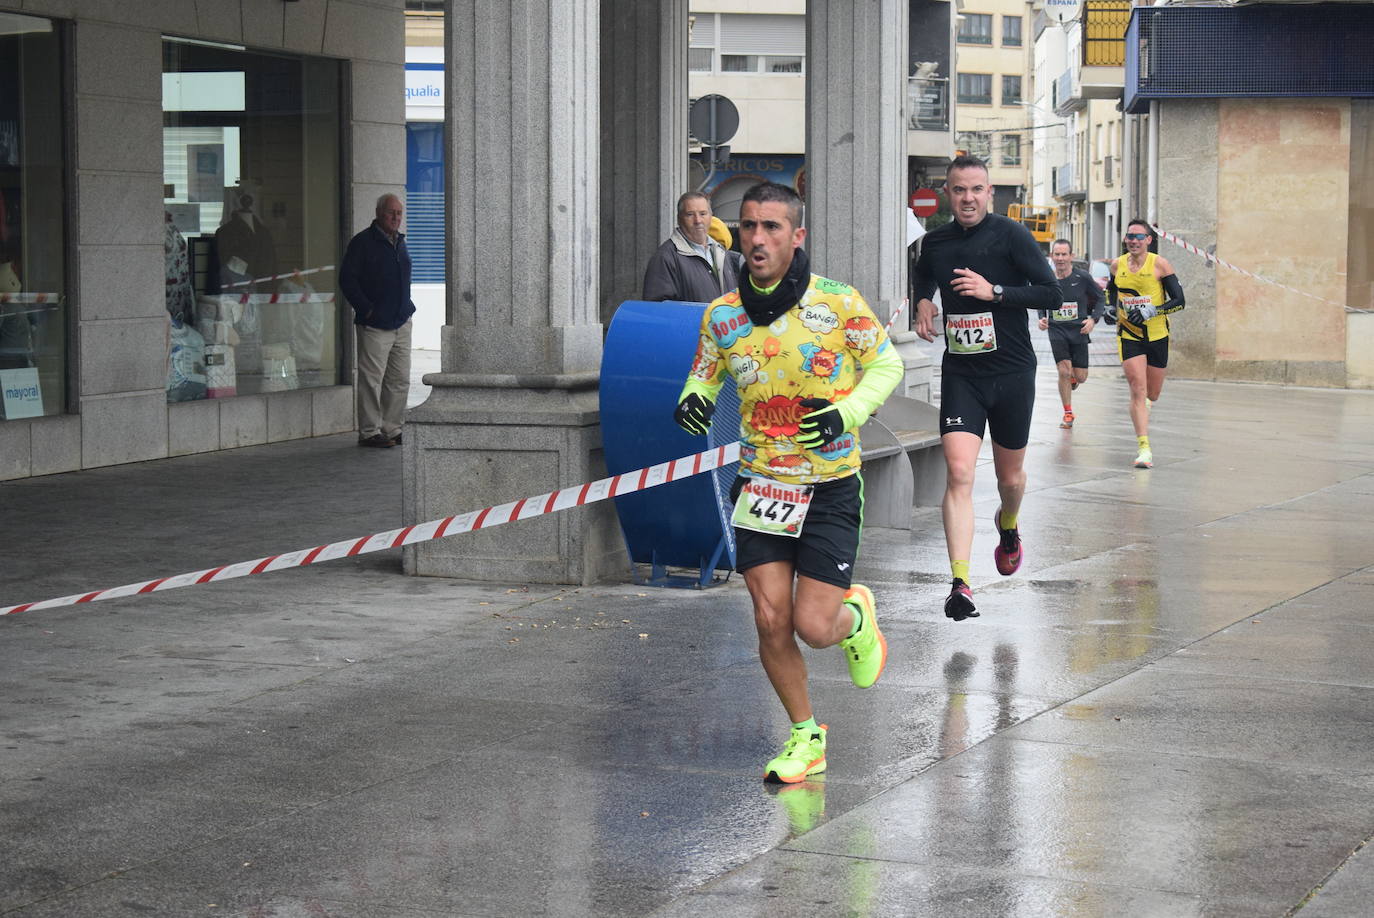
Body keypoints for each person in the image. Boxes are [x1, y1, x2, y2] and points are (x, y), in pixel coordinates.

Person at [674, 181, 903, 783]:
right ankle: (806, 736)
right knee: (770, 618)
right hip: (760, 486)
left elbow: (887, 364)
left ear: (796, 236)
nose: (757, 238)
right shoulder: (722, 314)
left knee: (812, 626)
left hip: (828, 484)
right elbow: (704, 375)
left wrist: (847, 413)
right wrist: (693, 400)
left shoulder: (838, 303)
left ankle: (854, 618)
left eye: (772, 227)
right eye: (748, 226)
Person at [914, 155, 1061, 622]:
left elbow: (1052, 294)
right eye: (960, 190)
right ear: (948, 194)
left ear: (990, 193)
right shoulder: (934, 242)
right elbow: (924, 272)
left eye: (977, 190)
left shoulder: (1011, 235)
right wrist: (922, 301)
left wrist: (995, 292)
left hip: (1013, 373)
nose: (968, 198)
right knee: (958, 473)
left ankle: (1009, 524)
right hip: (963, 374)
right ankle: (960, 583)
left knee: (1009, 481)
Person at [1108, 220, 1186, 469]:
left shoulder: (1160, 264)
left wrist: (1152, 311)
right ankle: (1144, 448)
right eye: (1130, 236)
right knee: (1137, 389)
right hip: (1129, 335)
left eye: (1139, 237)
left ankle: (1146, 404)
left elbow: (1180, 301)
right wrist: (1112, 309)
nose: (1134, 240)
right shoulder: (1116, 265)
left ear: (1149, 240)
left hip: (1156, 335)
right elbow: (1111, 292)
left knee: (1152, 393)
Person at [340, 193, 415, 448]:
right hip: (375, 325)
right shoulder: (362, 243)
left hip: (401, 321)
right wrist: (368, 310)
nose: (396, 218)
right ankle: (370, 431)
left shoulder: (400, 242)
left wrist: (406, 308)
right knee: (372, 380)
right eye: (390, 213)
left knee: (399, 379)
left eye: (399, 213)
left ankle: (393, 428)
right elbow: (347, 281)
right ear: (378, 213)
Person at [1037, 239, 1105, 429]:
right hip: (1057, 329)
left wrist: (1093, 320)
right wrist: (1042, 317)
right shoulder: (1047, 279)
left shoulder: (1082, 277)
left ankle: (1074, 379)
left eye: (1064, 254)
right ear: (1052, 256)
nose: (1060, 258)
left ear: (1071, 256)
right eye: (1056, 254)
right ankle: (1068, 413)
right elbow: (1042, 300)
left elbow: (1100, 298)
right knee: (1064, 371)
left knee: (1081, 377)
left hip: (1079, 330)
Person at [642, 191, 741, 303]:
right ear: (679, 219)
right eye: (690, 214)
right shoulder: (665, 258)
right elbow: (658, 310)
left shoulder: (720, 252)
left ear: (711, 217)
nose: (698, 220)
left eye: (703, 214)